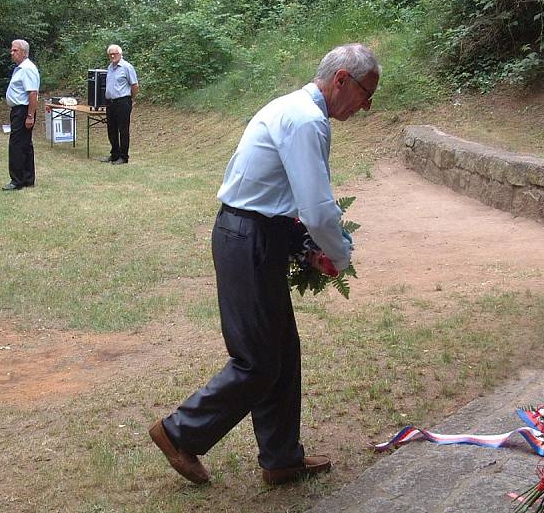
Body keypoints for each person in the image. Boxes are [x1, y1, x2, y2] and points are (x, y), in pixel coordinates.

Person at [149, 43, 380, 486]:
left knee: (281, 351)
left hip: (254, 236)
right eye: (367, 92)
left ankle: (281, 458)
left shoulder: (294, 109)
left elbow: (270, 198)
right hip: (248, 240)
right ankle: (179, 434)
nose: (368, 105)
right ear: (341, 81)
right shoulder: (306, 119)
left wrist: (303, 248)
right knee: (257, 360)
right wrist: (338, 253)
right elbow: (315, 208)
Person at [3, 39, 40, 190]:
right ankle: (27, 178)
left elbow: (33, 93)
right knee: (24, 144)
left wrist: (30, 115)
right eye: (11, 50)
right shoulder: (21, 68)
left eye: (15, 50)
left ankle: (16, 181)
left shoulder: (27, 69)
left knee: (17, 145)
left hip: (23, 110)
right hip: (20, 110)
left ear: (24, 52)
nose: (11, 53)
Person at [102, 44, 139, 165]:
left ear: (120, 54)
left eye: (115, 54)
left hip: (123, 102)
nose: (113, 56)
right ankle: (114, 155)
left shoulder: (127, 67)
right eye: (110, 54)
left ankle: (123, 157)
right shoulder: (110, 67)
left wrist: (130, 99)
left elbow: (135, 85)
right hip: (110, 103)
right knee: (111, 130)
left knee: (123, 130)